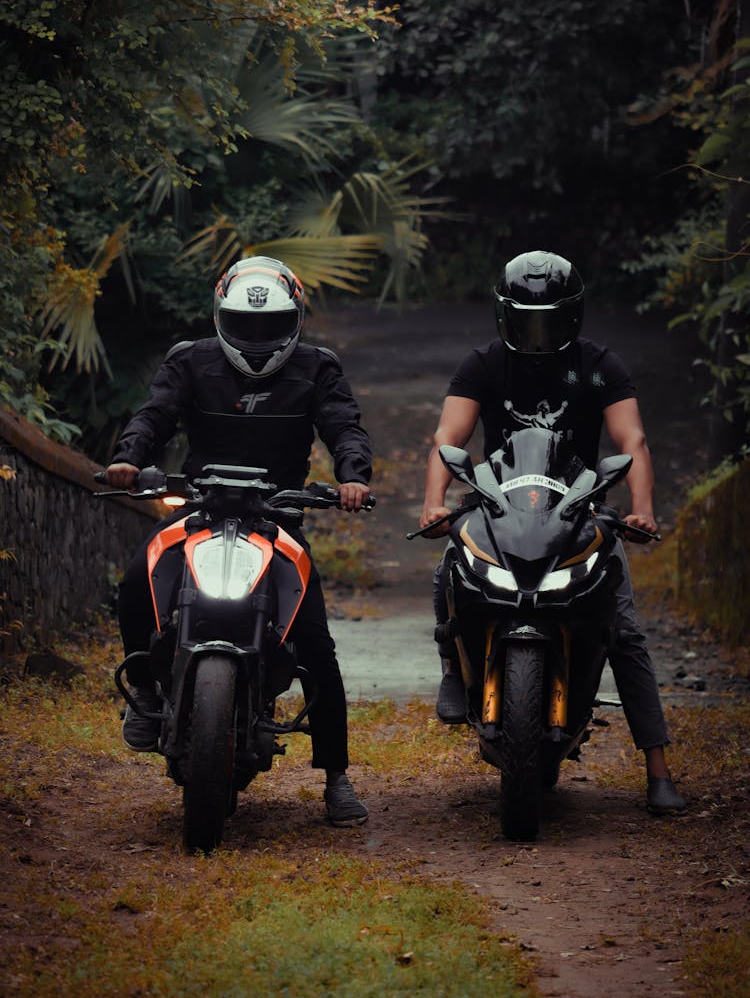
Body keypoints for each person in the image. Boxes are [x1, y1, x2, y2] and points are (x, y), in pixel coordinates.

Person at [104, 256, 371, 827]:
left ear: (295, 318)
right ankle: (149, 695)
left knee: (315, 644)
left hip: (278, 518)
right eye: (243, 324)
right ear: (220, 315)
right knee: (135, 581)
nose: (255, 338)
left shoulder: (317, 367)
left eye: (269, 326)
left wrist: (353, 475)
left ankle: (336, 776)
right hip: (199, 509)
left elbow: (343, 425)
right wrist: (129, 460)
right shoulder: (189, 360)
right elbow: (154, 417)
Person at [419, 250, 686, 816]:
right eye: (525, 319)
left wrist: (641, 510)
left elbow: (630, 440)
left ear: (573, 315)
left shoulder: (601, 365)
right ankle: (452, 669)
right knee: (449, 569)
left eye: (549, 319)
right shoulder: (483, 364)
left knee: (626, 629)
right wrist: (433, 503)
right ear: (504, 315)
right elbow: (450, 433)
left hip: (577, 512)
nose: (537, 332)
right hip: (495, 507)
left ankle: (658, 768)